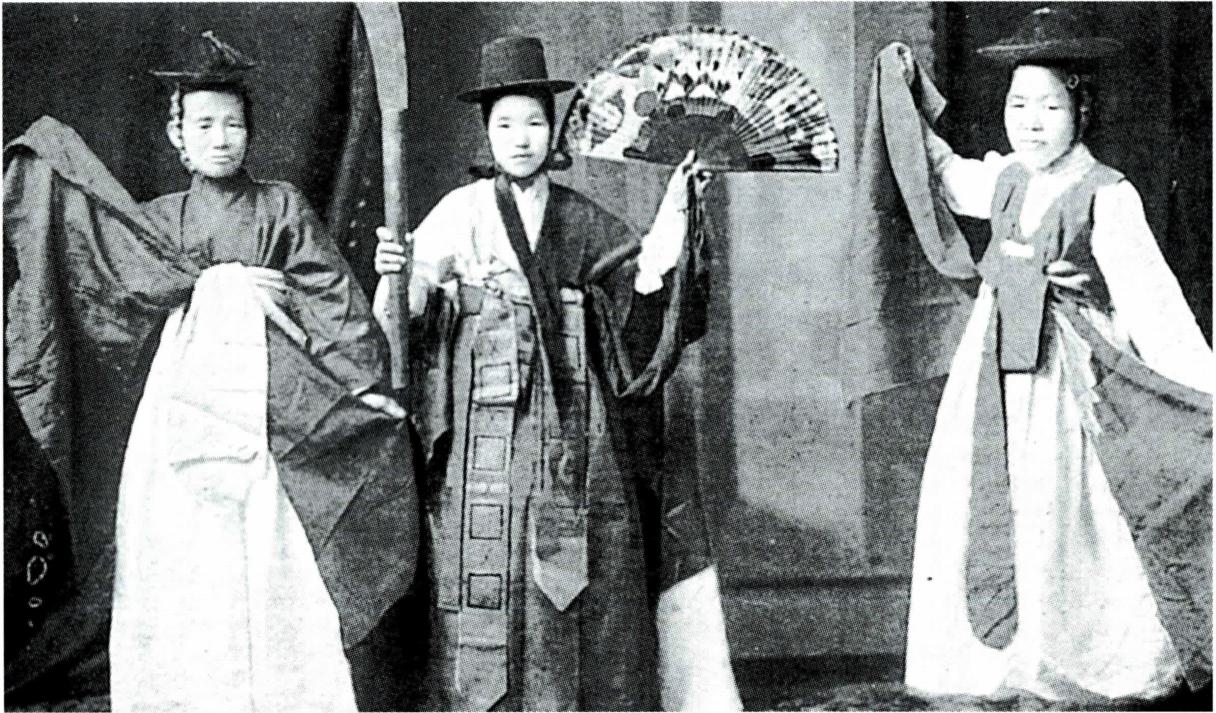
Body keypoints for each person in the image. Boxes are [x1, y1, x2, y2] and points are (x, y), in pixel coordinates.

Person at [4, 32, 417, 711]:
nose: (221, 138)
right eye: (203, 125)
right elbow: (99, 270)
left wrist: (363, 380)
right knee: (181, 540)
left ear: (250, 132)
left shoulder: (281, 205)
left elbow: (330, 295)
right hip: (182, 397)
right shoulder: (160, 223)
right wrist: (220, 284)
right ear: (178, 137)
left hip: (273, 399)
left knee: (273, 540)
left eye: (232, 123)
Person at [372, 36, 741, 711]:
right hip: (483, 405)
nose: (521, 138)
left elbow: (643, 284)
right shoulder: (461, 210)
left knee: (582, 546)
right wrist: (398, 274)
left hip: (574, 406)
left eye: (535, 122)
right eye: (505, 123)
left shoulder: (577, 216)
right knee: (484, 550)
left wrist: (678, 204)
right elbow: (407, 307)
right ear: (487, 132)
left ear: (554, 131)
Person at [891, 7, 1214, 705]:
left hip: (1067, 378)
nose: (1031, 122)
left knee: (1067, 511)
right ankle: (998, 662)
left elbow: (1156, 308)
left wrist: (1200, 392)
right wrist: (901, 96)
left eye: (1050, 107)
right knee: (989, 502)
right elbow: (946, 172)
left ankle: (1079, 659)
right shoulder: (1007, 179)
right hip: (993, 375)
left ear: (1082, 111)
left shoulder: (1107, 194)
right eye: (1018, 105)